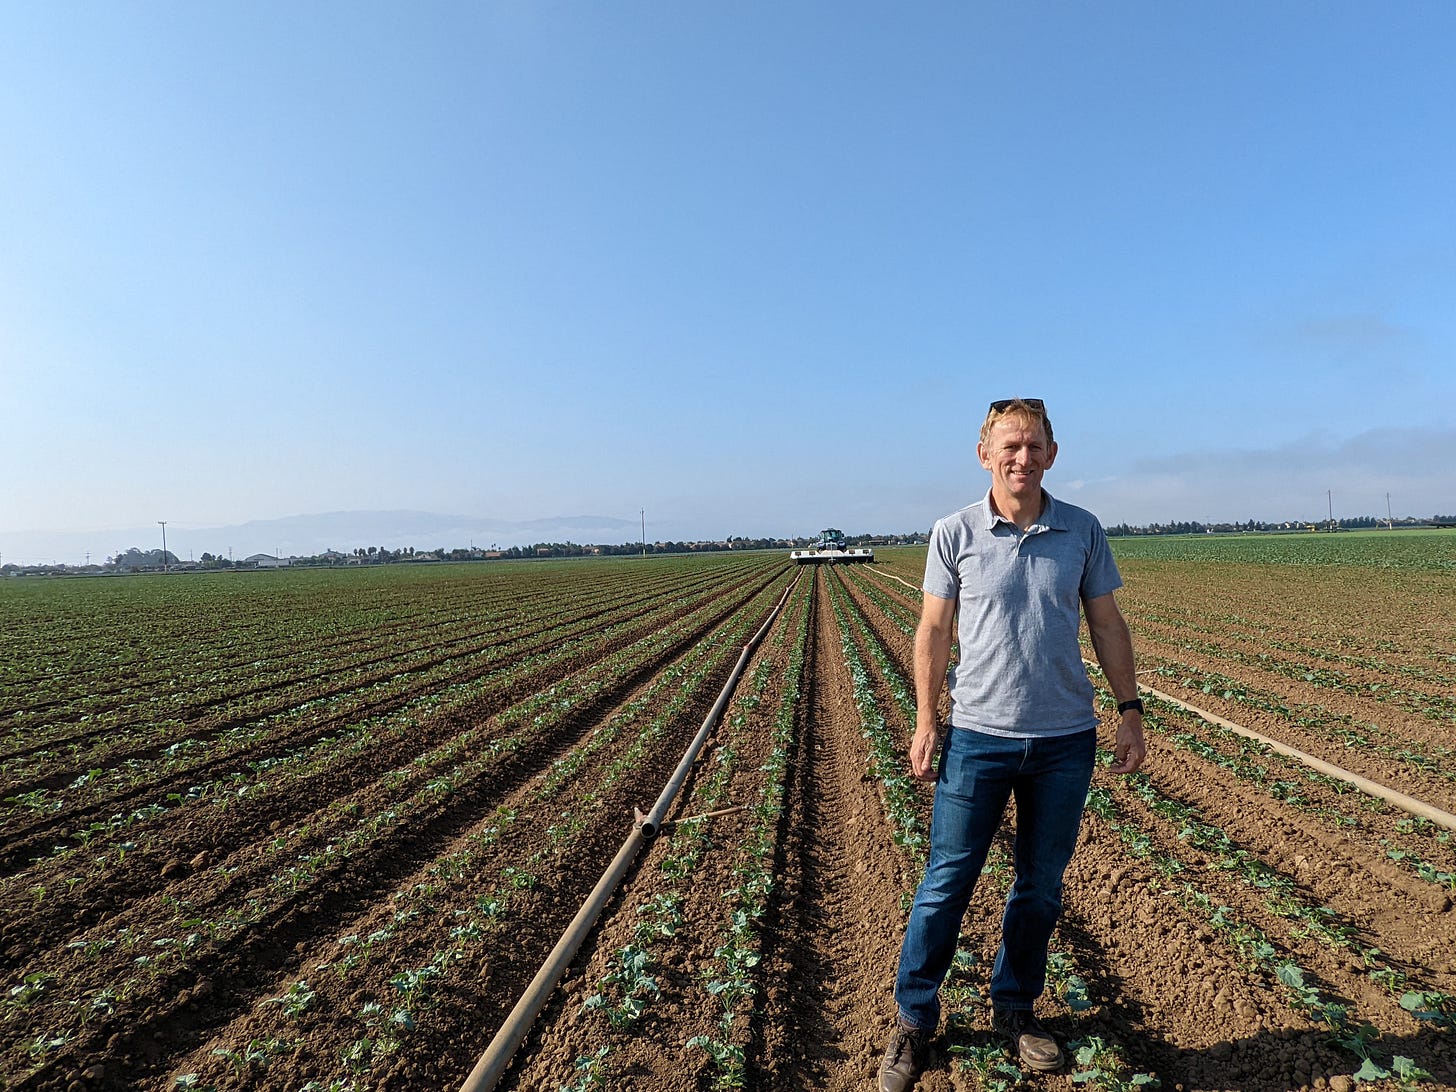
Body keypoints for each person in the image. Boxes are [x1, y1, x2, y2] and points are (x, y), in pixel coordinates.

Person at [879, 397, 1146, 1092]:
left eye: (1034, 447)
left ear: (1051, 455)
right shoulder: (954, 533)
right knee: (946, 883)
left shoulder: (1081, 530)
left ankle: (1017, 1009)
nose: (1022, 458)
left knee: (1040, 887)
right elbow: (933, 632)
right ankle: (914, 1021)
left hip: (1064, 741)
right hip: (977, 737)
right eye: (1009, 446)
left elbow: (1108, 625)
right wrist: (925, 719)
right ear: (984, 454)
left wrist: (1130, 710)